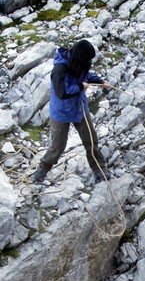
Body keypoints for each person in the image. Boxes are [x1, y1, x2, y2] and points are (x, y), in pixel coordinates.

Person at [33, 39, 111, 184]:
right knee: (58, 145)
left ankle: (100, 170)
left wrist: (100, 82)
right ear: (81, 57)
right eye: (88, 59)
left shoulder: (80, 63)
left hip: (79, 109)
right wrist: (81, 87)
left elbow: (87, 75)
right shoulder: (59, 69)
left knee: (91, 140)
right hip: (61, 112)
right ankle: (43, 168)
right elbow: (62, 92)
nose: (89, 62)